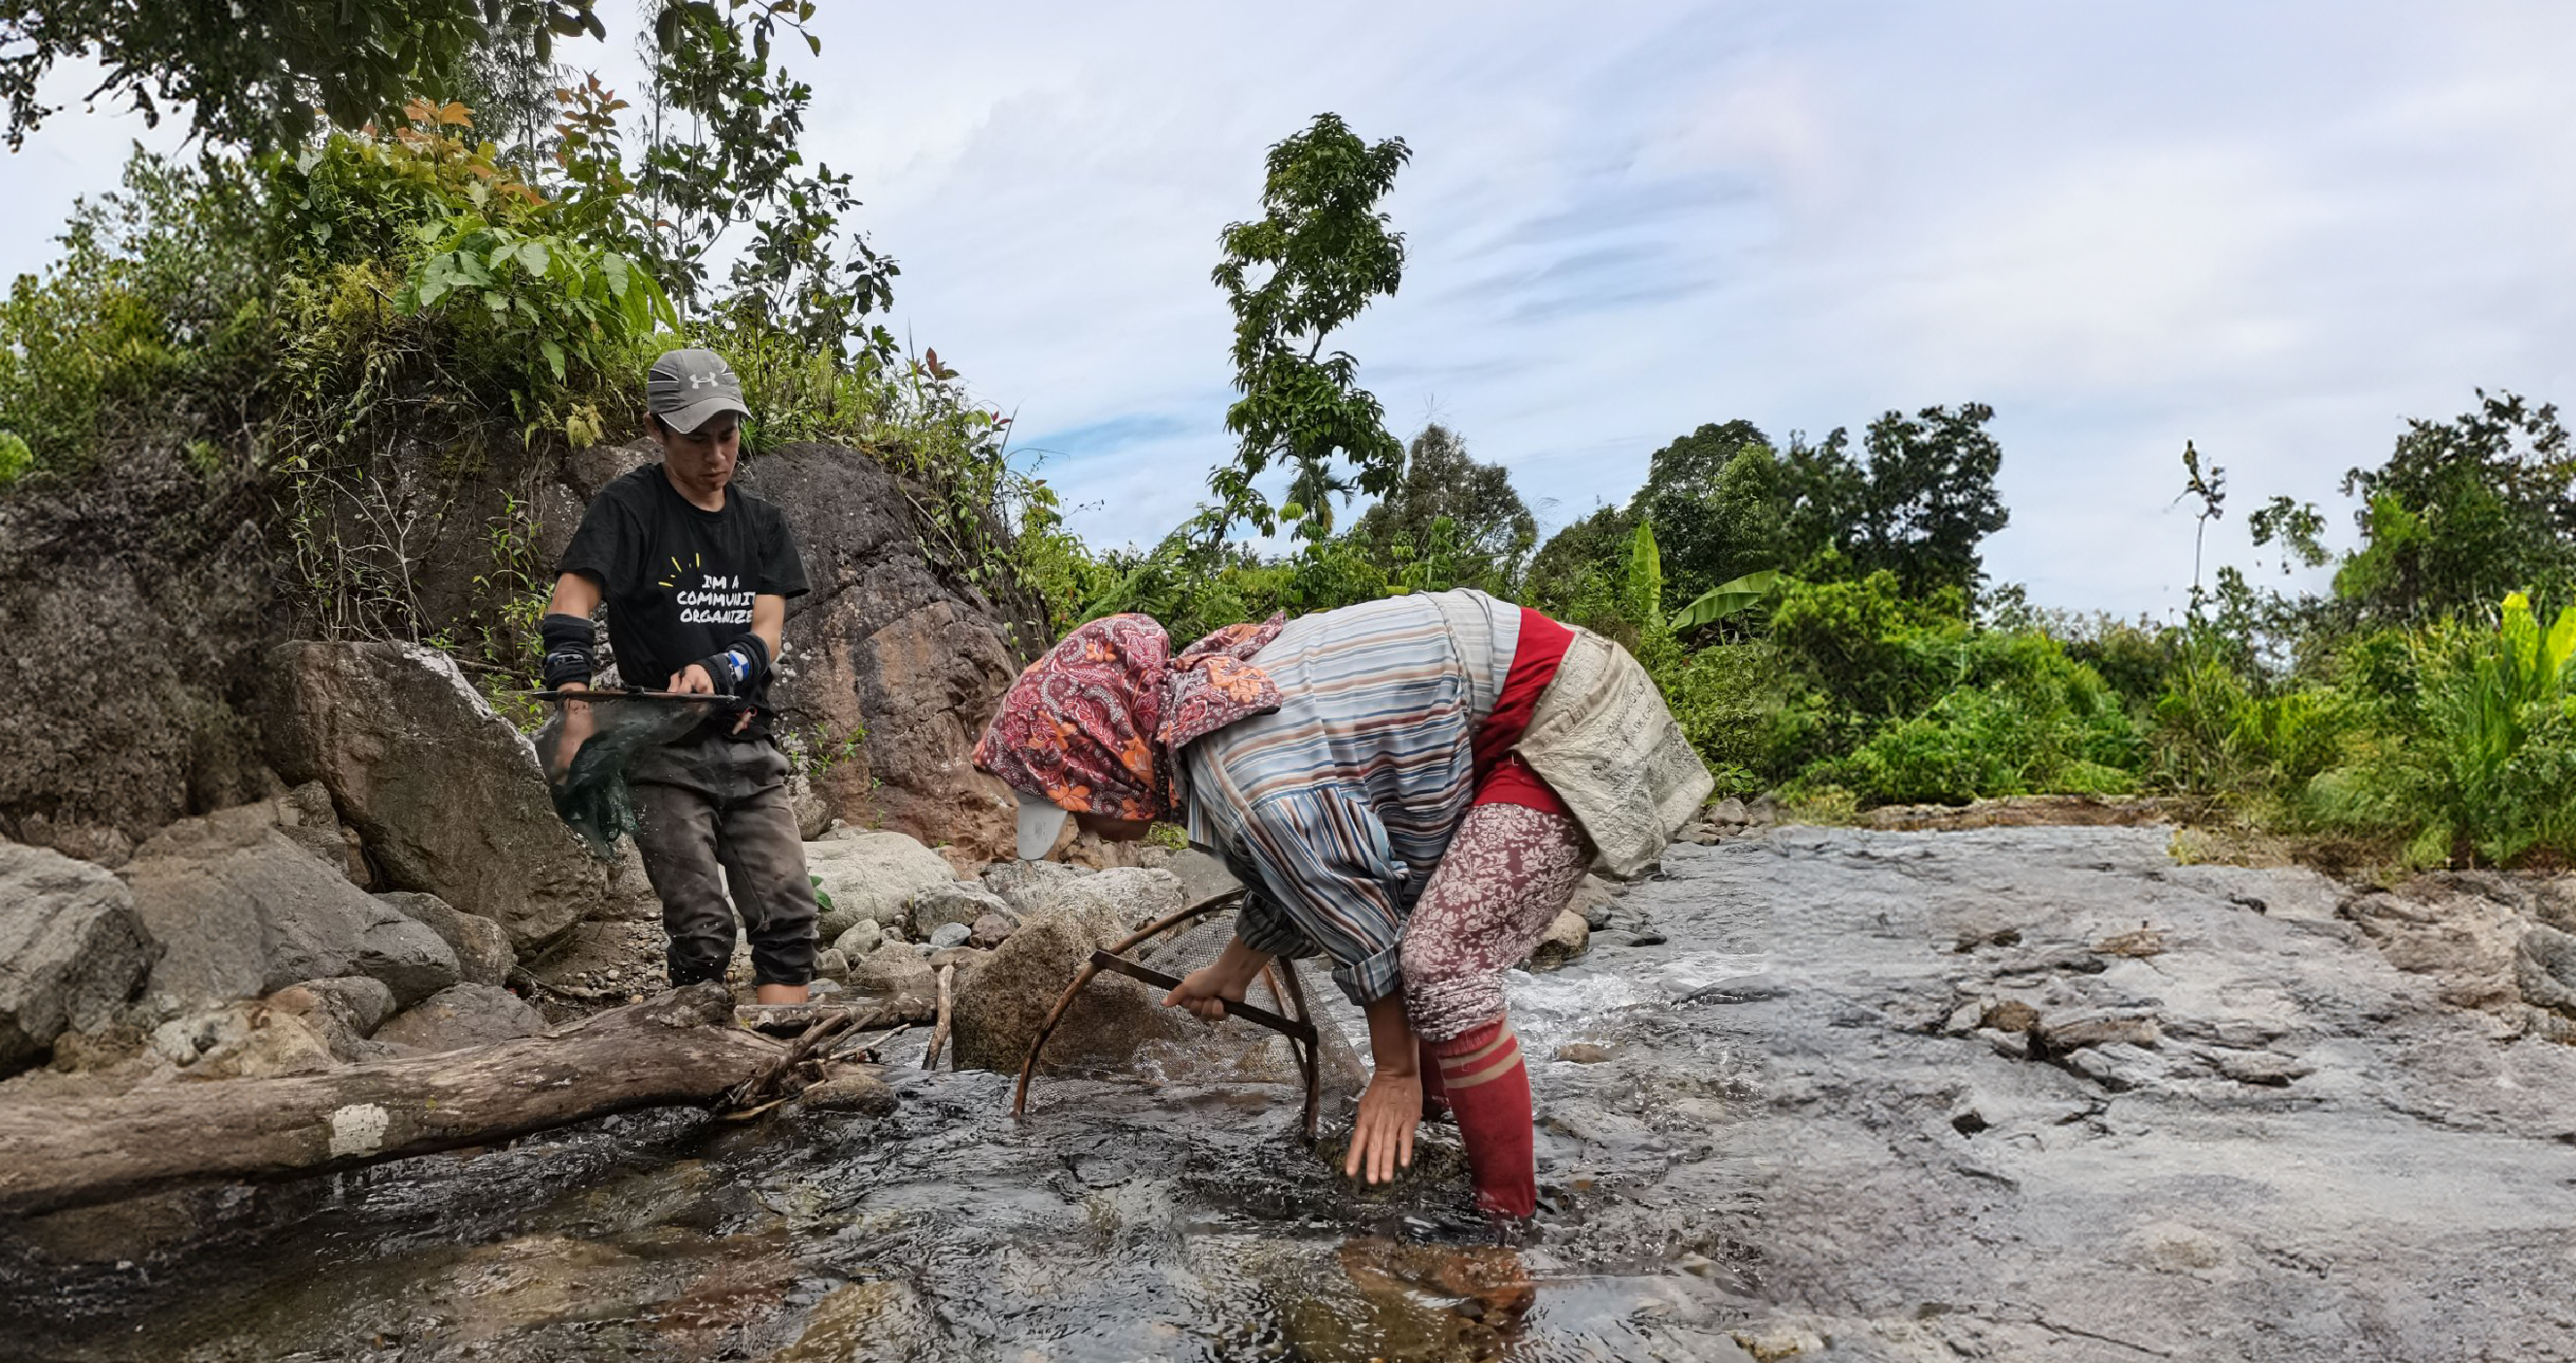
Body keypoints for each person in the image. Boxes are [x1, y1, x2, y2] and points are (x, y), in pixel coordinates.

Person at [974, 592, 1713, 1218]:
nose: (1082, 826)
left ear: (1106, 759)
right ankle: (1445, 1123)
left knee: (1441, 964)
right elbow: (1308, 872)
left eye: (1073, 804)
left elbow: (1358, 912)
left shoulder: (1246, 783)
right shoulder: (1203, 707)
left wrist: (1392, 1070)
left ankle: (1504, 1230)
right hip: (1495, 717)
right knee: (1424, 940)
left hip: (1562, 711)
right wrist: (1233, 972)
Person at [543, 348, 818, 1005]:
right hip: (662, 754)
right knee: (701, 930)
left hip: (749, 742)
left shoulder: (762, 525)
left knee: (791, 921)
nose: (717, 456)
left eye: (728, 436)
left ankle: (785, 1068)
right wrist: (575, 712)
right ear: (656, 430)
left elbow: (768, 632)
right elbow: (569, 606)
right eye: (697, 440)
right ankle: (696, 1063)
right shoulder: (628, 511)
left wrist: (719, 668)